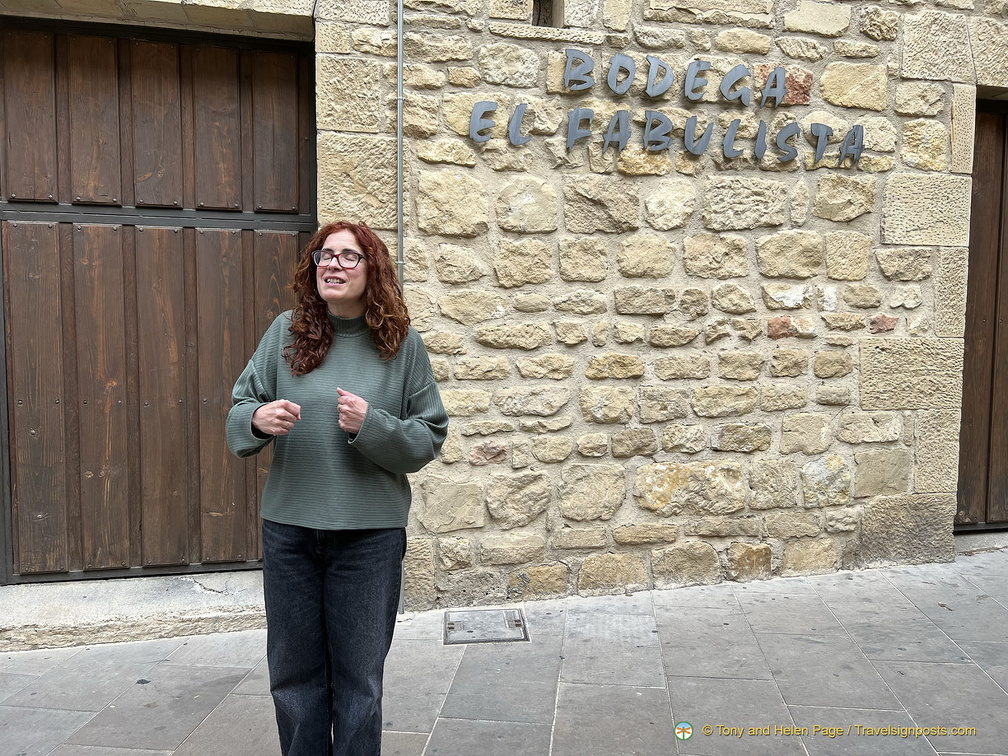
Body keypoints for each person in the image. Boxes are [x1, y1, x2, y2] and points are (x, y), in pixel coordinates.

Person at [226, 220, 448, 756]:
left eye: (349, 256)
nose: (332, 264)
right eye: (325, 255)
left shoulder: (400, 345)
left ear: (374, 270)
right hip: (290, 533)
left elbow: (428, 437)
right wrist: (257, 420)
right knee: (293, 676)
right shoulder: (286, 332)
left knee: (359, 681)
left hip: (369, 538)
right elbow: (240, 410)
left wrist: (373, 426)